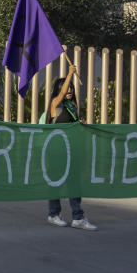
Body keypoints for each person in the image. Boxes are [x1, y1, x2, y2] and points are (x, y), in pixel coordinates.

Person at [45, 66, 98, 231]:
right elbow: (59, 96)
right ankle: (54, 214)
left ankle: (78, 217)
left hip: (71, 151)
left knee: (74, 184)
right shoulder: (55, 104)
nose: (69, 90)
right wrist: (69, 74)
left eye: (71, 88)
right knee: (56, 185)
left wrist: (80, 125)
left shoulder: (72, 107)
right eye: (66, 88)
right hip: (56, 152)